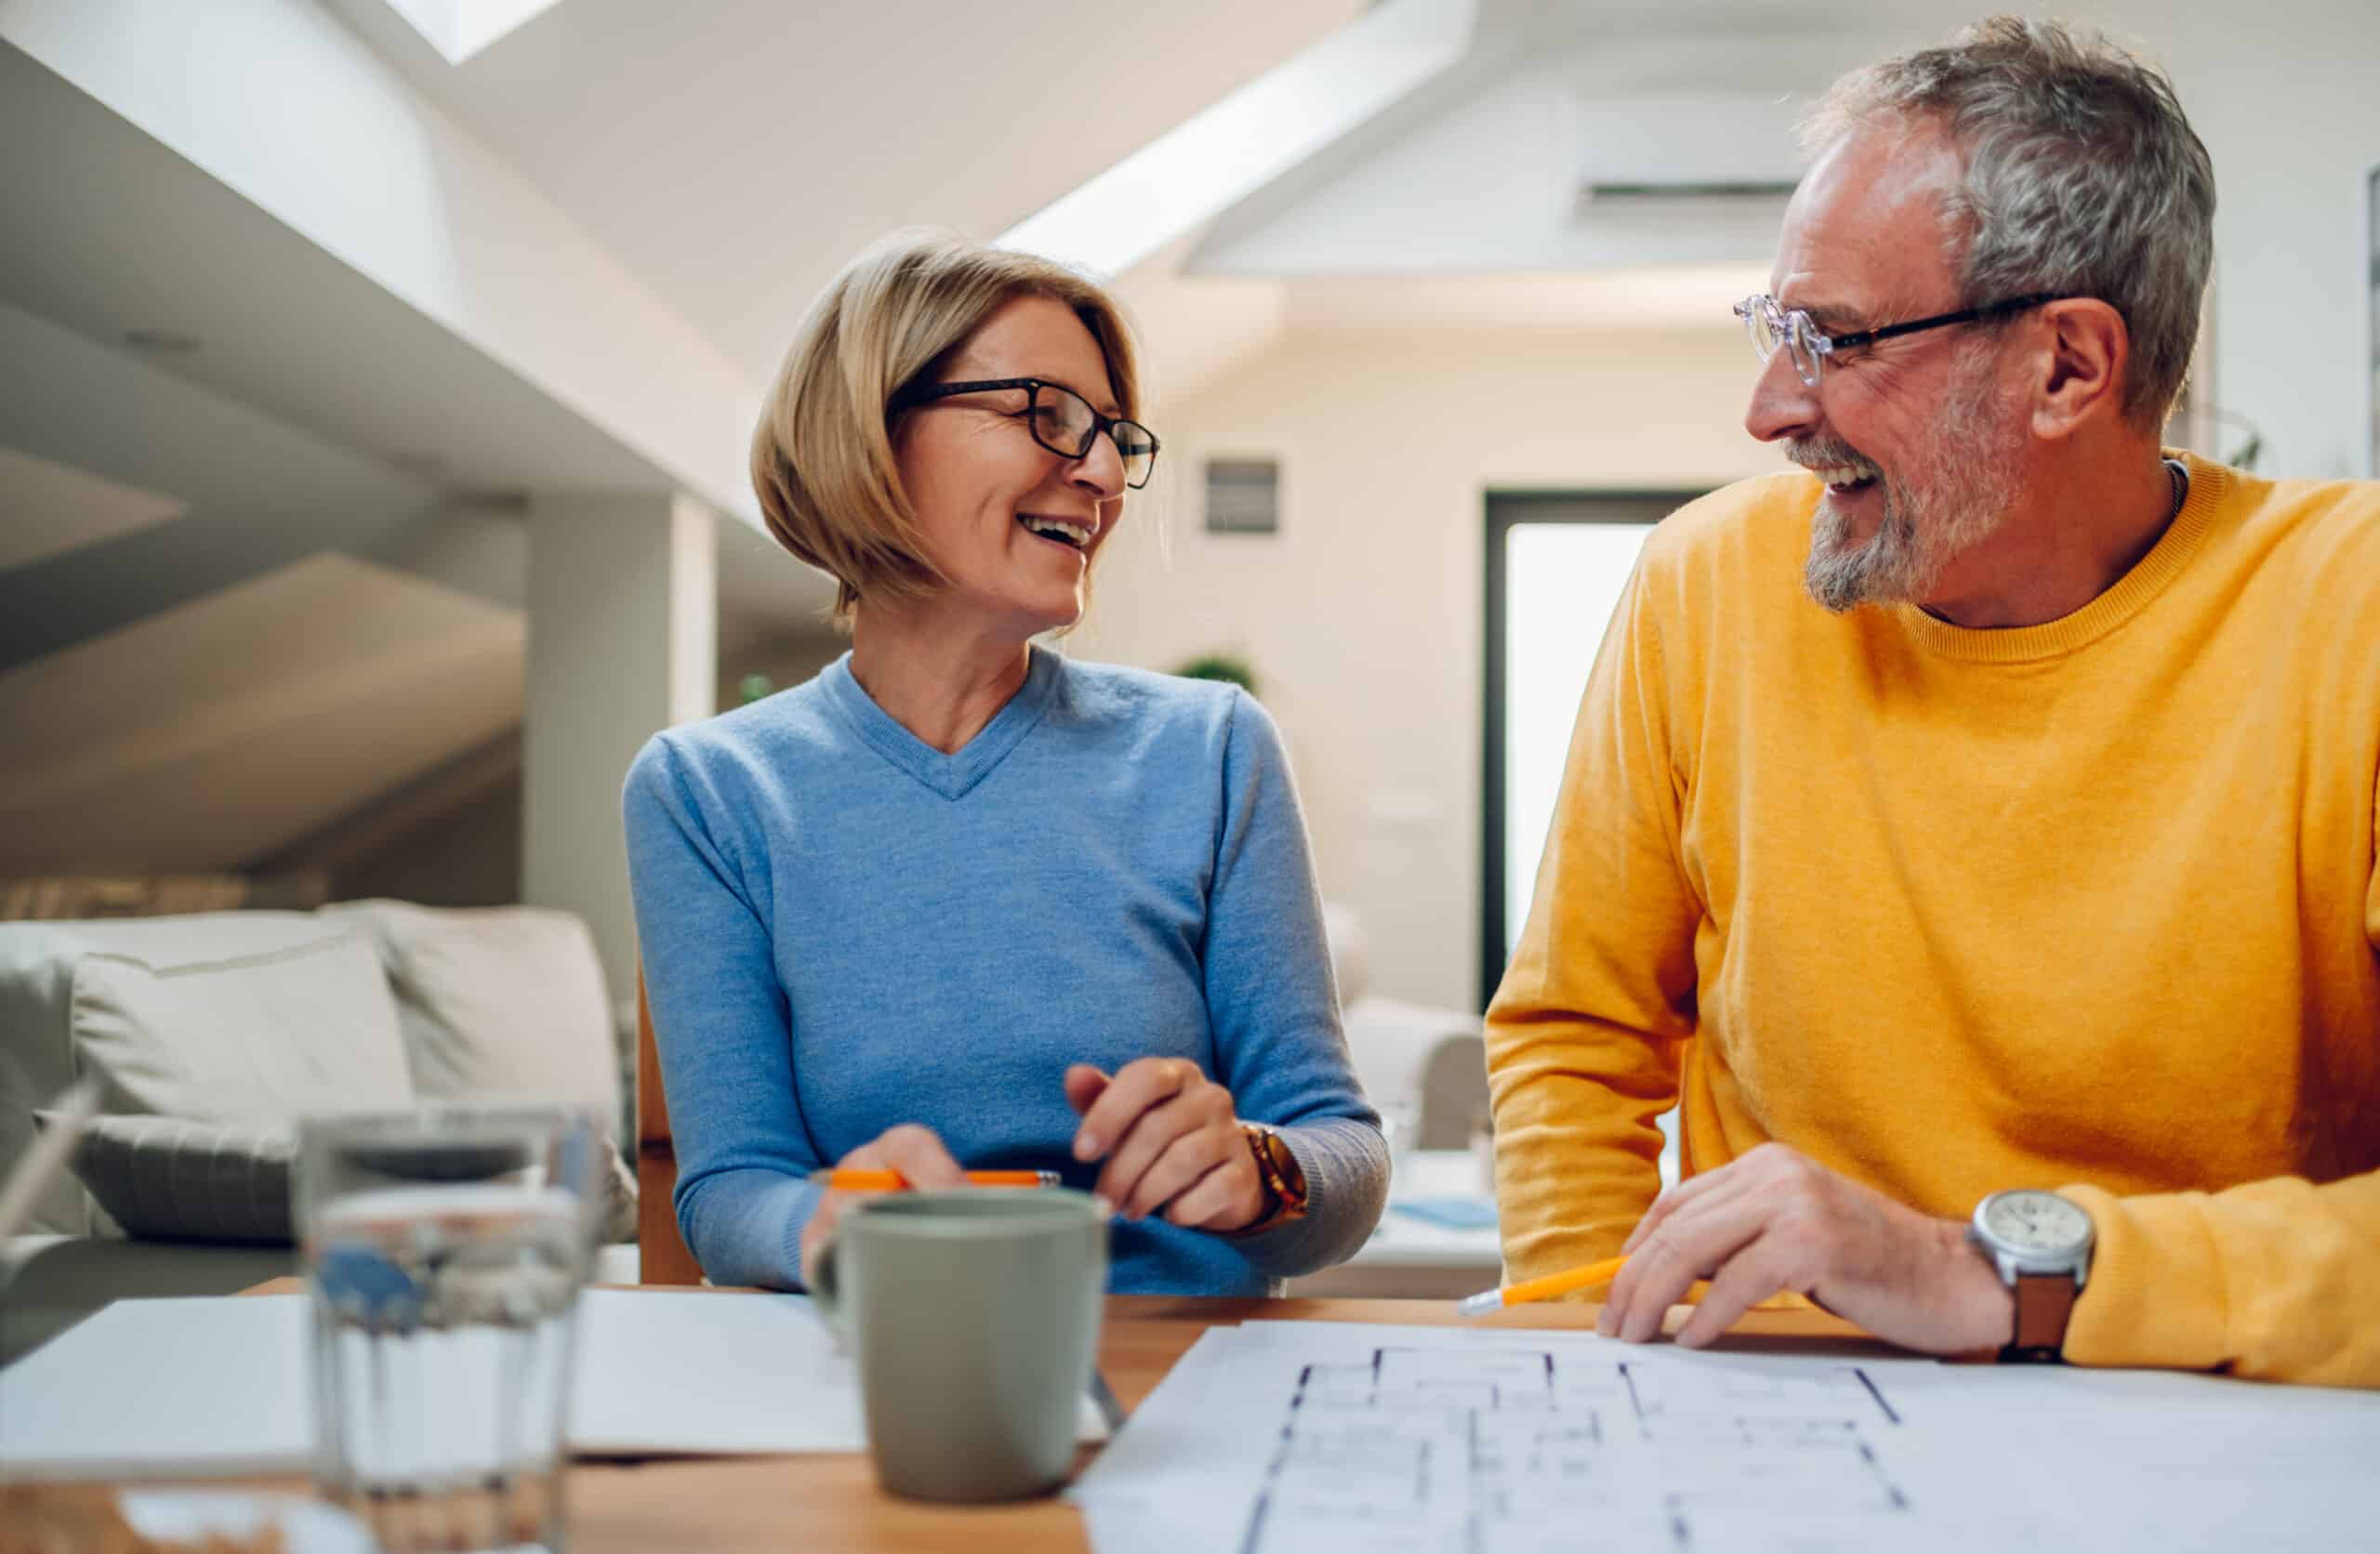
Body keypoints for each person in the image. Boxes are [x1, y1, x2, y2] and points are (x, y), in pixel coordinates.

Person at [1487, 18, 2380, 1386]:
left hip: (2224, 1420)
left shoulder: (2352, 607)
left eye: (1835, 338)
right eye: (1776, 330)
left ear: (2069, 367)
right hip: (1773, 1406)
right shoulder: (1704, 584)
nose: (1771, 409)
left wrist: (1991, 1273)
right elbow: (1575, 1039)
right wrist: (1593, 1352)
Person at [624, 231, 1385, 1297]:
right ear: (871, 429)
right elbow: (730, 1187)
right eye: (1049, 414)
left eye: (1116, 435)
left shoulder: (1212, 747)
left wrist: (1263, 1170)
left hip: (1188, 1367)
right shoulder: (708, 792)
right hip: (881, 1359)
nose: (1105, 474)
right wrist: (830, 1221)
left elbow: (1339, 1150)